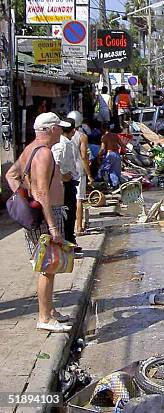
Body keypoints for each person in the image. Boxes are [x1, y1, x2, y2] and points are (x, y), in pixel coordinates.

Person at [6, 112, 72, 333]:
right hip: (46, 215)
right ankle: (44, 317)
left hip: (42, 213)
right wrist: (53, 226)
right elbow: (42, 191)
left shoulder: (29, 149)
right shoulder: (43, 153)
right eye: (59, 127)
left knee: (49, 266)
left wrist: (24, 196)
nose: (61, 131)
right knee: (46, 267)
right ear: (50, 129)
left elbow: (11, 175)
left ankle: (50, 311)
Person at [51, 118, 79, 246]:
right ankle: (68, 242)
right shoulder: (63, 144)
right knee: (68, 214)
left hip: (68, 182)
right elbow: (56, 163)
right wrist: (62, 177)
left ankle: (69, 241)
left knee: (69, 214)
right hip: (65, 184)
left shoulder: (66, 142)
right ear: (73, 130)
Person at [67, 111, 94, 236]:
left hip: (66, 170)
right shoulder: (82, 136)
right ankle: (79, 227)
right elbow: (84, 157)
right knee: (79, 200)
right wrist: (89, 175)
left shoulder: (62, 136)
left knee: (67, 200)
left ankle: (68, 228)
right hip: (79, 170)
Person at [97, 123, 126, 189]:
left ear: (103, 129)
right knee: (115, 171)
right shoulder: (115, 135)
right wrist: (124, 154)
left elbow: (102, 148)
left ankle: (100, 183)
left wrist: (98, 155)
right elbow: (123, 145)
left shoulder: (104, 136)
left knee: (103, 169)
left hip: (110, 154)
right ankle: (115, 185)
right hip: (117, 154)